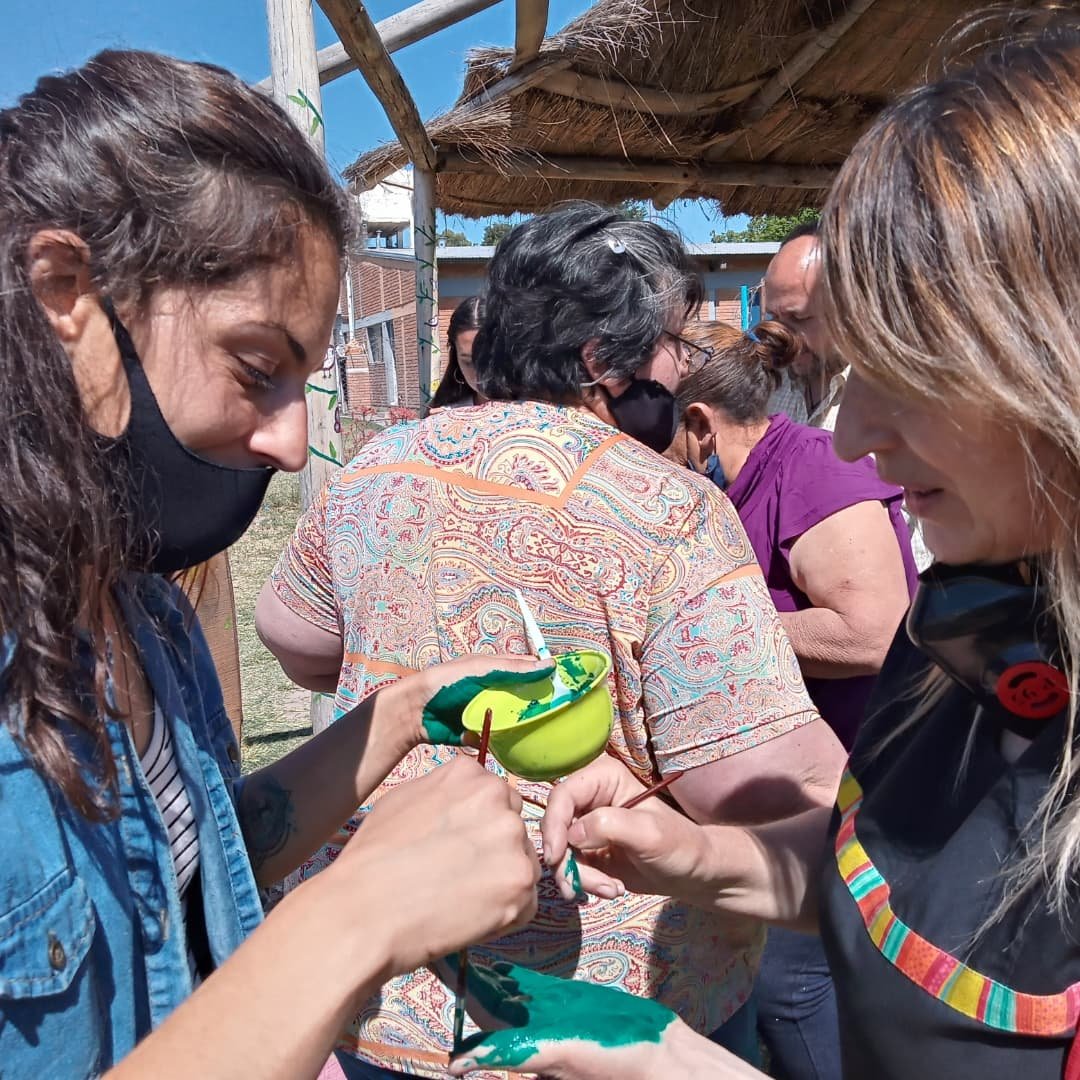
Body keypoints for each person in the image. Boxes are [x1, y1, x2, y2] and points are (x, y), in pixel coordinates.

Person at [447, 11, 1080, 1079]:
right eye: (847, 369)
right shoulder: (973, 623)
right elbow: (896, 877)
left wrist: (668, 1062)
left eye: (906, 369)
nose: (855, 436)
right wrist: (688, 855)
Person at [0, 49, 548, 1078]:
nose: (294, 443)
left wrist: (411, 708)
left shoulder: (145, 614)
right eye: (257, 368)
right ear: (65, 294)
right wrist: (352, 919)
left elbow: (185, 871)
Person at [256, 202, 847, 1079]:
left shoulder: (379, 467)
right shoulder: (670, 511)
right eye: (674, 346)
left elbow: (293, 635)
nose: (684, 370)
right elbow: (760, 785)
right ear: (601, 362)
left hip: (387, 981)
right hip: (619, 1020)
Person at [670, 318, 916, 1080]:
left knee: (789, 987)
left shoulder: (812, 469)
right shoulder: (740, 484)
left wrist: (714, 625)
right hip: (793, 791)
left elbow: (872, 630)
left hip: (850, 786)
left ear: (700, 424)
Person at [765, 224, 932, 572]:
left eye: (798, 318)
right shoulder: (770, 387)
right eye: (773, 318)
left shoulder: (903, 393)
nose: (782, 335)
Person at [426, 296, 485, 411]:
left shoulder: (529, 412)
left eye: (488, 360)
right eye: (468, 362)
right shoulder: (446, 416)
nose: (480, 373)